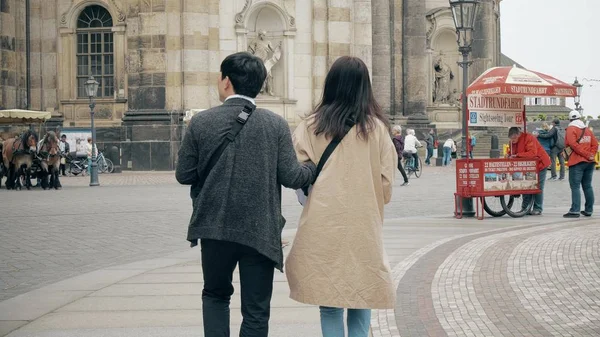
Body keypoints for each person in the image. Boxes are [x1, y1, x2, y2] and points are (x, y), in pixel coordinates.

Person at [175, 52, 316, 337]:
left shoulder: (201, 122)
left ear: (226, 82)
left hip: (214, 226)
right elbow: (292, 177)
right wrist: (312, 166)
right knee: (256, 309)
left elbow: (184, 174)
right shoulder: (275, 124)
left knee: (215, 295)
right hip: (259, 230)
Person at [285, 56, 397, 337]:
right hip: (364, 223)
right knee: (363, 295)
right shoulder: (378, 130)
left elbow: (299, 178)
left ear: (331, 85)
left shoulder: (310, 126)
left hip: (322, 222)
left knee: (330, 301)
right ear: (364, 88)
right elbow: (386, 185)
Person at [507, 127, 551, 215]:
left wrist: (517, 155)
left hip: (540, 163)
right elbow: (511, 153)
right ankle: (525, 208)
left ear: (519, 134)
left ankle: (538, 208)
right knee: (526, 186)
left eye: (514, 138)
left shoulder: (529, 137)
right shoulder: (512, 142)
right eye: (511, 139)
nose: (513, 141)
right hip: (527, 167)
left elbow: (532, 153)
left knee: (538, 186)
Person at [563, 111, 598, 218]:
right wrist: (591, 155)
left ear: (570, 120)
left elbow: (573, 145)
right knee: (587, 186)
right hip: (590, 162)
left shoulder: (571, 129)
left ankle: (575, 210)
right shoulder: (587, 129)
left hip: (577, 162)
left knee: (575, 186)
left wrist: (585, 154)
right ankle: (589, 210)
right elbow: (595, 144)